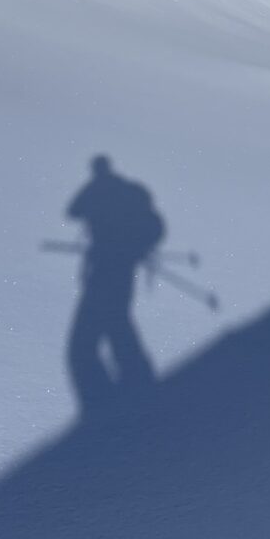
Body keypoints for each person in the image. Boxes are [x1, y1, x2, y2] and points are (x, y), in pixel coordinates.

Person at [63, 154, 164, 411]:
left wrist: (94, 188)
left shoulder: (100, 191)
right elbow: (74, 211)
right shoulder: (128, 193)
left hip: (105, 270)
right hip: (122, 270)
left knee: (84, 343)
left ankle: (104, 402)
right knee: (116, 322)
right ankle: (137, 383)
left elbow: (73, 209)